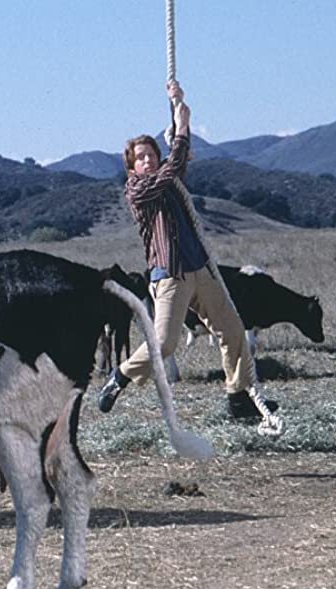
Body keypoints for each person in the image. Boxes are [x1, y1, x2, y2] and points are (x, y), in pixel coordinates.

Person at [97, 80, 278, 419]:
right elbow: (167, 174)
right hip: (170, 275)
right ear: (132, 166)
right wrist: (180, 129)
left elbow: (176, 165)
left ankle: (237, 398)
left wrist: (179, 108)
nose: (148, 161)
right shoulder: (137, 190)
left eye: (152, 155)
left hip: (201, 270)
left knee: (233, 332)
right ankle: (120, 375)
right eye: (141, 158)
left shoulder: (168, 176)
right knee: (164, 343)